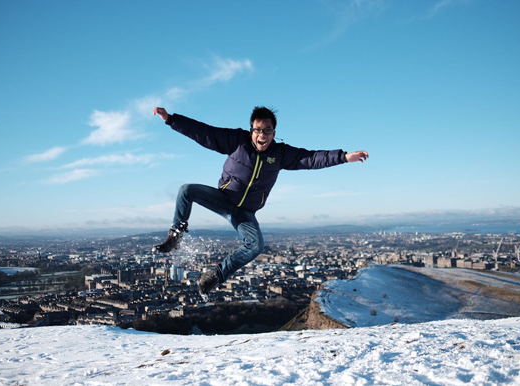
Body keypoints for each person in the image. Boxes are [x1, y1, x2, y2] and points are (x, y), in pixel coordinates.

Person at [152, 106, 369, 297]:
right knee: (186, 190)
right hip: (223, 199)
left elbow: (311, 158)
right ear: (251, 131)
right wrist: (171, 120)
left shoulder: (281, 154)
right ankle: (175, 236)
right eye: (257, 130)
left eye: (267, 130)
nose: (261, 135)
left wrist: (343, 157)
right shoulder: (237, 141)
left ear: (274, 133)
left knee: (256, 245)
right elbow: (205, 133)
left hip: (245, 212)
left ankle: (215, 276)